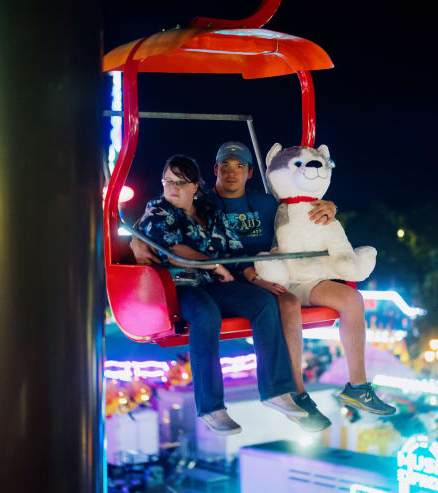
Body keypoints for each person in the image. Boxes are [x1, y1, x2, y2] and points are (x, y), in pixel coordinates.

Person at [133, 142, 395, 431]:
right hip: (185, 285)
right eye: (169, 181)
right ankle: (237, 402)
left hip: (242, 276)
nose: (231, 173)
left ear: (248, 172)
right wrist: (138, 239)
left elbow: (292, 207)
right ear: (214, 171)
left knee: (294, 301)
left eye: (239, 167)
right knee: (214, 313)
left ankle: (308, 389)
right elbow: (155, 230)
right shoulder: (172, 207)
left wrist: (330, 205)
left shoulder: (234, 208)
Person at [137, 154, 307, 435]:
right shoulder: (157, 212)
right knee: (205, 313)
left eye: (180, 182)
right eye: (168, 181)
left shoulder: (210, 212)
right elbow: (174, 251)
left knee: (264, 303)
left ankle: (276, 390)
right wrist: (214, 264)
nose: (172, 188)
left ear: (195, 186)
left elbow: (235, 251)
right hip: (178, 287)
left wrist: (255, 278)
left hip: (214, 284)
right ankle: (211, 407)